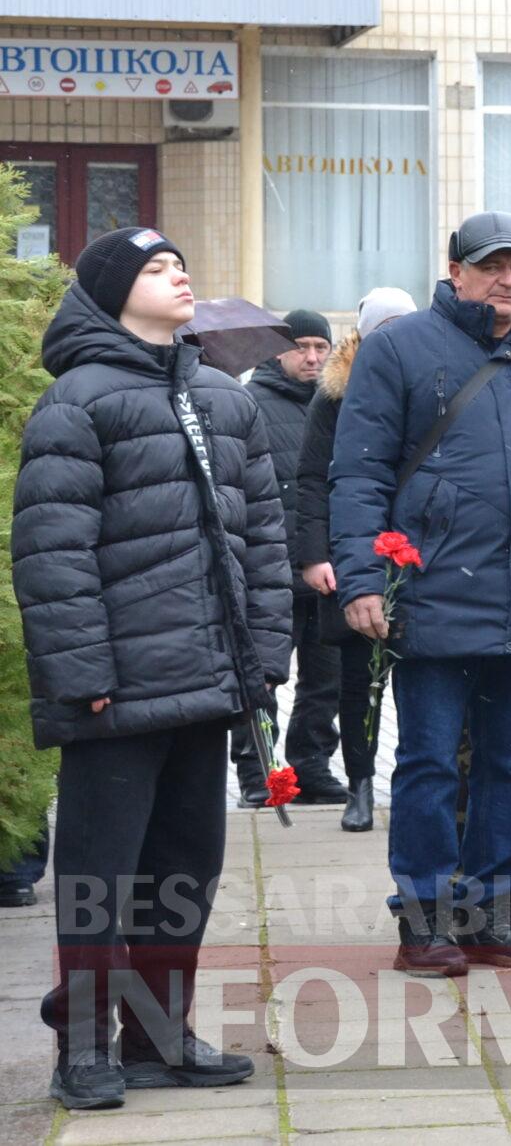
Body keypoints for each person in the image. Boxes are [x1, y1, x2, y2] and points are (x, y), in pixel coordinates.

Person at [15, 227, 292, 1109]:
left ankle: (158, 1035)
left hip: (206, 681)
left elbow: (266, 540)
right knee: (101, 876)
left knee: (184, 868)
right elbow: (54, 556)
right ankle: (85, 1045)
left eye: (181, 263)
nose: (178, 275)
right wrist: (79, 670)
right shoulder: (77, 402)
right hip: (116, 686)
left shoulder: (224, 398)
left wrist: (266, 652)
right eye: (154, 267)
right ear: (109, 293)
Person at [330, 212, 511, 976]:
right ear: (454, 270)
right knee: (427, 763)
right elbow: (356, 472)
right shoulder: (398, 348)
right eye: (491, 265)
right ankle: (423, 919)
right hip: (429, 595)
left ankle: (489, 912)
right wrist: (361, 579)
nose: (508, 279)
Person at [293, 288, 414, 836]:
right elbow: (313, 479)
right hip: (353, 551)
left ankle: (416, 783)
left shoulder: (432, 380)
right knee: (356, 680)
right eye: (381, 329)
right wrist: (316, 555)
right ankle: (360, 784)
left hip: (420, 554)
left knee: (423, 675)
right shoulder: (333, 396)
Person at [235, 309, 346, 808]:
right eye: (301, 346)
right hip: (270, 573)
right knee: (263, 679)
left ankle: (311, 766)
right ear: (277, 350)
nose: (312, 357)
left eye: (321, 348)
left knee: (326, 680)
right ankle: (260, 775)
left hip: (326, 569)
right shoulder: (249, 403)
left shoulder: (340, 404)